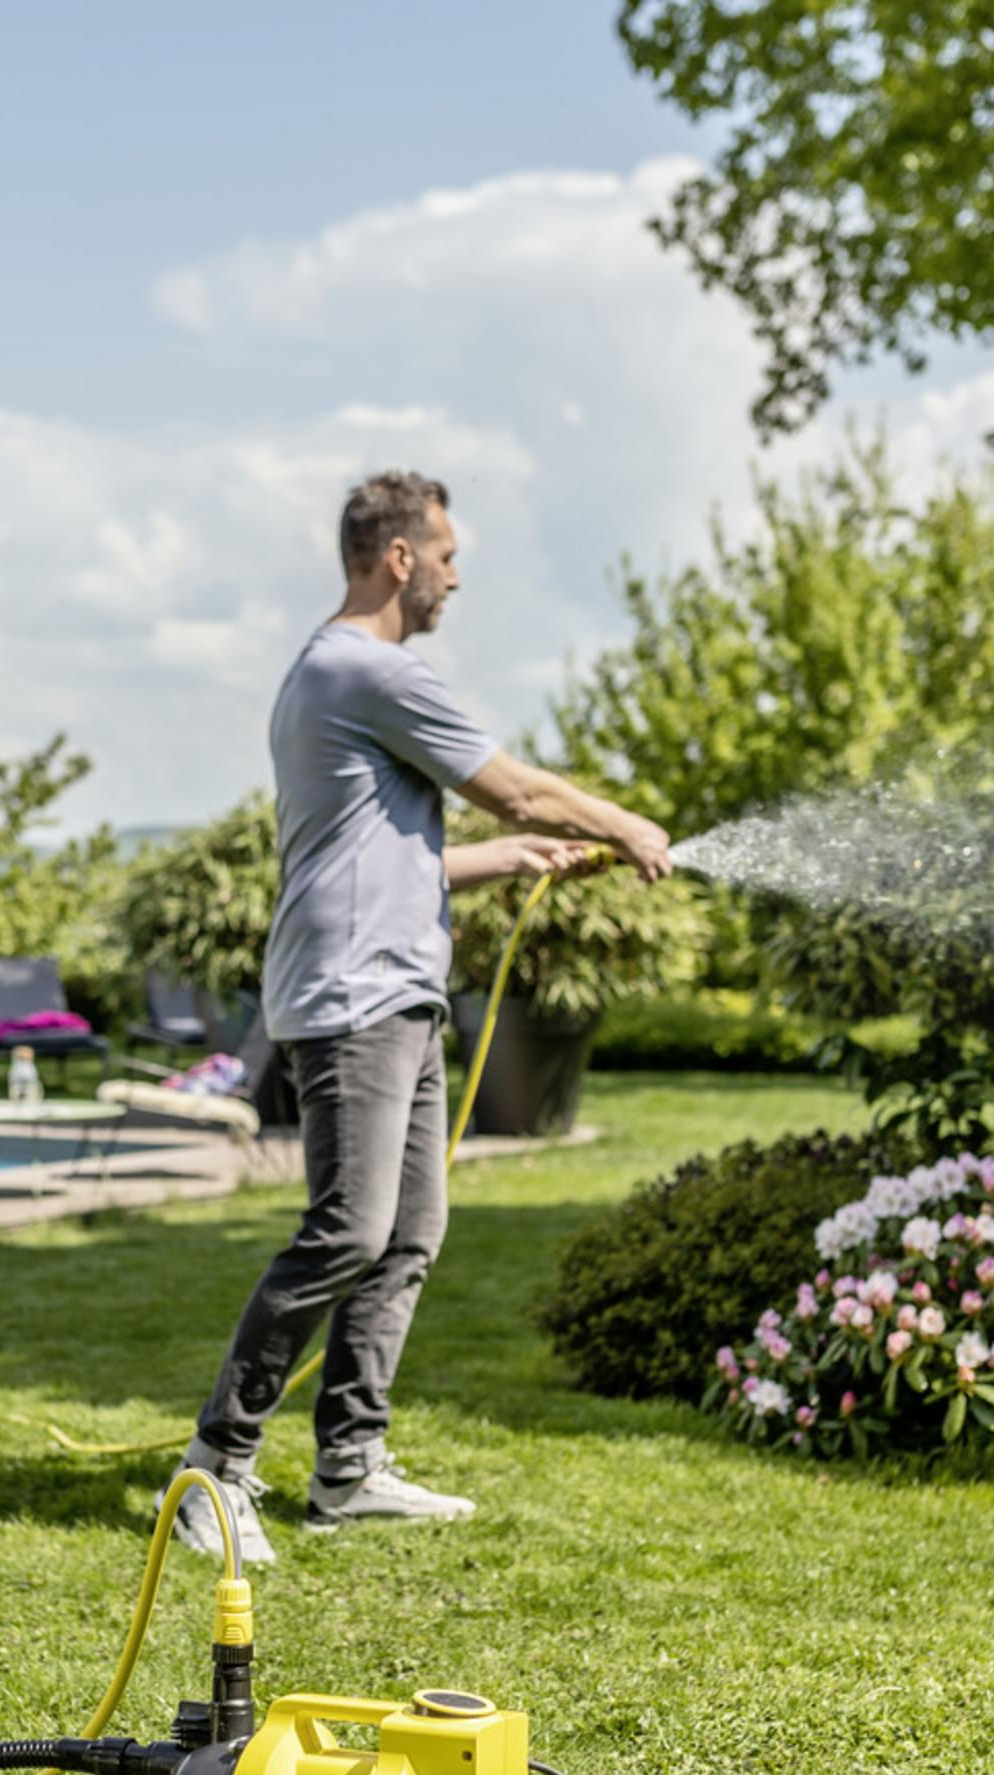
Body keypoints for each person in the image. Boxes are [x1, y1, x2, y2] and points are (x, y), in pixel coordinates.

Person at [178, 470, 674, 1563]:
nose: (456, 572)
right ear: (397, 556)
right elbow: (518, 786)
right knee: (350, 1229)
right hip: (353, 998)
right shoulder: (369, 667)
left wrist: (511, 858)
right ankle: (215, 1468)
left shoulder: (327, 672)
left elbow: (393, 856)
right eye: (445, 553)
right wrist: (624, 822)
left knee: (407, 1235)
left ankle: (347, 1468)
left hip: (390, 991)